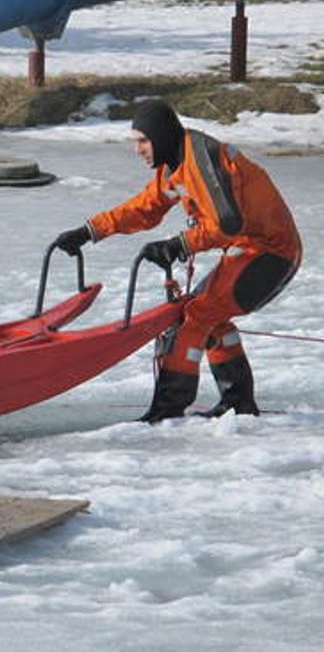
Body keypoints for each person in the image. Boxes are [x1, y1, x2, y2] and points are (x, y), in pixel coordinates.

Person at [54, 100, 301, 422]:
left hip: (271, 252)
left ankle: (168, 410)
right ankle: (239, 404)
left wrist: (178, 244)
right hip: (246, 249)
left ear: (161, 136)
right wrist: (88, 231)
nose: (138, 149)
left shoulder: (202, 160)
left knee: (195, 316)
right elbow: (145, 207)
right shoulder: (174, 166)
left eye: (143, 140)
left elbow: (228, 225)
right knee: (209, 316)